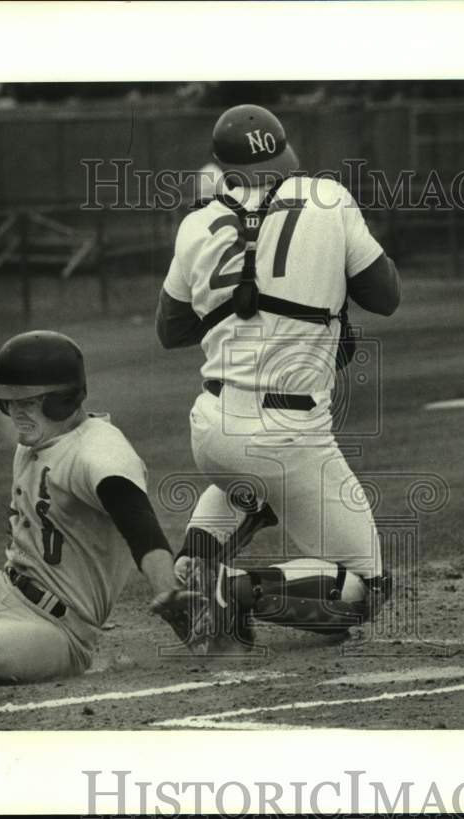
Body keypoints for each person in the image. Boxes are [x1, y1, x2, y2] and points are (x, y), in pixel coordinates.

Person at [156, 104, 400, 654]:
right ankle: (226, 591)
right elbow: (386, 297)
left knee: (252, 487)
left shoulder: (197, 222)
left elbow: (170, 329)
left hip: (212, 428)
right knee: (364, 593)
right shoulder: (328, 197)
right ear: (284, 154)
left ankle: (193, 570)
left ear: (222, 165)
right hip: (289, 431)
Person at [0, 330, 196, 685]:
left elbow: (139, 521)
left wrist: (165, 587)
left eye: (27, 402)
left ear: (61, 400)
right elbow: (8, 379)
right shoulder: (44, 431)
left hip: (53, 631)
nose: (15, 412)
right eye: (9, 402)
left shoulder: (99, 453)